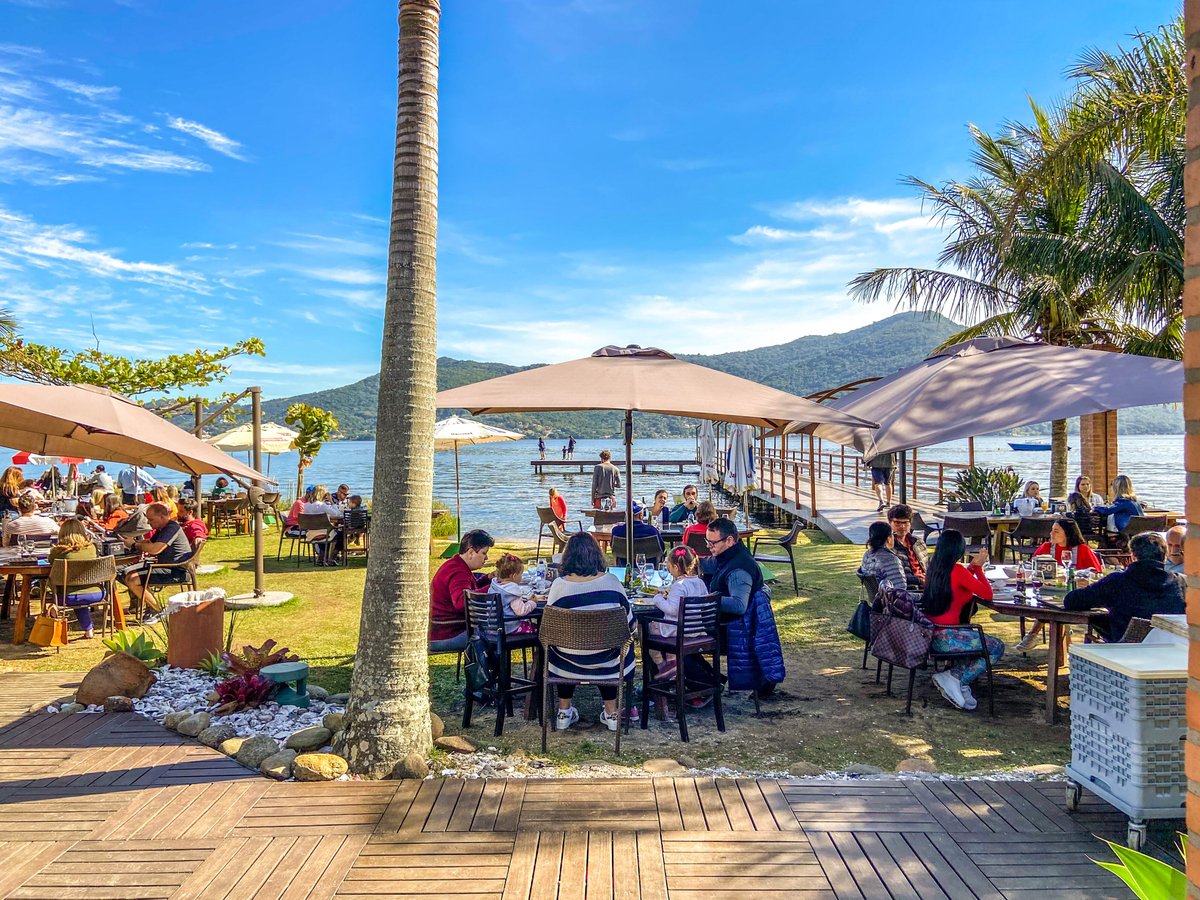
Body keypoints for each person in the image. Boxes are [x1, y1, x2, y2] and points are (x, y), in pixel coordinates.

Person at [545, 532, 635, 733]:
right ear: (597, 555)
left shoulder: (558, 586)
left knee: (562, 648)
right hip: (608, 662)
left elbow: (549, 628)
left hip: (566, 662)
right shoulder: (612, 582)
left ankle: (563, 710)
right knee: (612, 646)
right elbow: (630, 624)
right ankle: (611, 712)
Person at [921, 530, 1003, 712]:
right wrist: (979, 569)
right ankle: (957, 677)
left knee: (977, 639)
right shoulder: (957, 570)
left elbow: (957, 583)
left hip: (930, 634)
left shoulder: (934, 569)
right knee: (996, 647)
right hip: (949, 637)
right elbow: (987, 594)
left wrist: (972, 569)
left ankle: (959, 683)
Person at [1065, 532, 1185, 643]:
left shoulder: (1118, 581)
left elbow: (1071, 601)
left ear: (1133, 556)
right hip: (1169, 646)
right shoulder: (1180, 583)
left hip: (1125, 647)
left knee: (1100, 622)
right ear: (1164, 557)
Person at [1014, 518, 1104, 653]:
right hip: (1050, 591)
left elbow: (1097, 573)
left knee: (1054, 606)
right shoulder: (1046, 548)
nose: (1051, 534)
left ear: (1067, 533)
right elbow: (1031, 566)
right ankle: (1034, 636)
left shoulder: (1082, 550)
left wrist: (1081, 578)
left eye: (1056, 531)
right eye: (1052, 530)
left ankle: (1033, 635)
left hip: (1076, 593)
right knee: (1047, 604)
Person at [119, 502, 195, 612]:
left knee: (132, 579)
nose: (148, 523)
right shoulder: (162, 528)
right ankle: (148, 606)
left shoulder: (171, 528)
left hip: (177, 571)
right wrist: (132, 541)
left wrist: (134, 545)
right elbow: (149, 542)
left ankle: (158, 611)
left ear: (162, 517)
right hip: (168, 567)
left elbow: (155, 549)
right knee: (126, 573)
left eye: (151, 520)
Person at [648, 545, 708, 681]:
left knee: (648, 628)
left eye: (669, 568)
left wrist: (657, 599)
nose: (669, 572)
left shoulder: (679, 586)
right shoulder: (700, 583)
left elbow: (673, 610)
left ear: (676, 567)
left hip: (678, 629)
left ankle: (662, 664)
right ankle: (670, 660)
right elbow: (707, 603)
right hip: (696, 629)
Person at [429, 529, 495, 653]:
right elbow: (461, 602)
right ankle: (488, 672)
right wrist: (493, 588)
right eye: (484, 553)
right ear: (470, 552)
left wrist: (487, 579)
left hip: (441, 630)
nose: (486, 558)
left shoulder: (456, 564)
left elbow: (467, 588)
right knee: (494, 635)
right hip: (447, 633)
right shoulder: (459, 572)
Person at [48, 518, 104, 639]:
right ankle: (88, 629)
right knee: (79, 594)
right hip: (97, 593)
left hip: (69, 596)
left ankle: (52, 618)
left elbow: (50, 562)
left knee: (67, 590)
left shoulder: (58, 552)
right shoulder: (92, 548)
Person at [701, 517, 763, 615]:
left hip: (730, 627)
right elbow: (708, 563)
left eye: (712, 543)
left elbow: (738, 605)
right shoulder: (728, 555)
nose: (708, 546)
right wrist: (686, 561)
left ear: (729, 540)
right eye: (707, 541)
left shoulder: (739, 570)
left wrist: (701, 599)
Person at [487, 553, 539, 635]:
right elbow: (521, 611)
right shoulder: (511, 591)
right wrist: (532, 603)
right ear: (514, 576)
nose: (521, 577)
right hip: (509, 627)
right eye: (520, 575)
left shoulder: (495, 586)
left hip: (493, 628)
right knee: (539, 630)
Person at [857, 521, 906, 591]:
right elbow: (901, 588)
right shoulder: (890, 559)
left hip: (876, 598)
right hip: (892, 599)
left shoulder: (867, 555)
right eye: (893, 534)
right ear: (888, 538)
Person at [888, 504, 927, 588]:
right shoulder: (888, 548)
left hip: (926, 586)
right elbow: (892, 577)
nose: (902, 526)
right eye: (897, 523)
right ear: (890, 523)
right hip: (907, 590)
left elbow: (927, 567)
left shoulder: (918, 542)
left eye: (905, 522)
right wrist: (918, 580)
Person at [302, 485, 343, 566]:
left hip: (310, 534)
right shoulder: (322, 505)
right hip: (325, 534)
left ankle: (322, 558)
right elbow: (337, 513)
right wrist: (331, 501)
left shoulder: (305, 505)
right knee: (339, 534)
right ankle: (331, 557)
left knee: (325, 533)